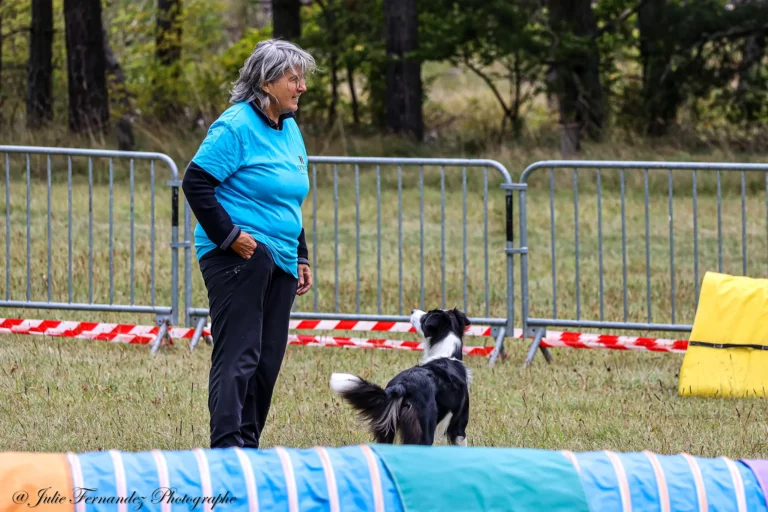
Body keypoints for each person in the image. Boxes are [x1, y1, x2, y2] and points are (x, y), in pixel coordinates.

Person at [182, 39, 316, 449]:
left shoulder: (289, 128)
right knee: (239, 355)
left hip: (282, 258)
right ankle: (226, 451)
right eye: (293, 79)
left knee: (267, 360)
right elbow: (195, 181)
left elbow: (287, 197)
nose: (302, 87)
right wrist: (230, 236)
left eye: (302, 79)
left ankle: (248, 447)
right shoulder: (236, 125)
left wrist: (301, 254)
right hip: (237, 256)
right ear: (266, 82)